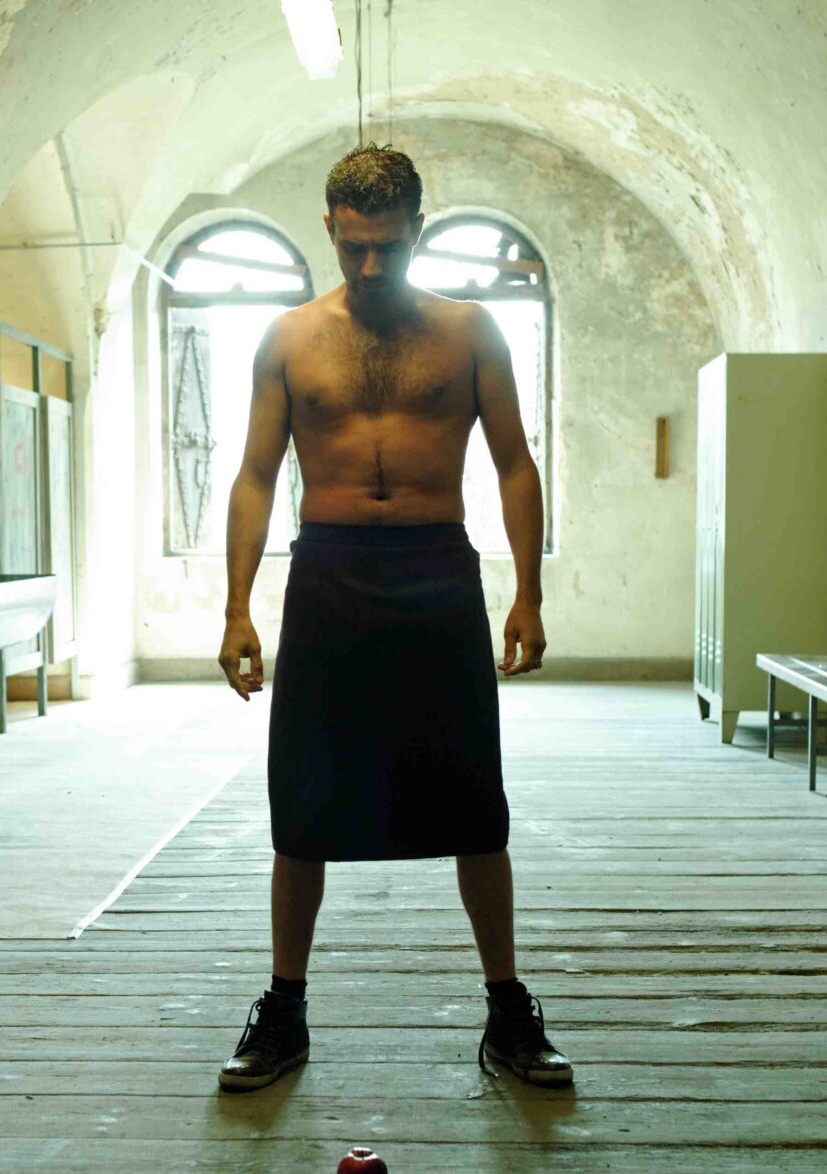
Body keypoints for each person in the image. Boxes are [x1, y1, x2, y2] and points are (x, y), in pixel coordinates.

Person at [215, 144, 571, 1092]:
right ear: (330, 230)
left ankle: (508, 1011)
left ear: (419, 228)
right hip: (328, 575)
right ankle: (284, 1010)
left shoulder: (470, 332)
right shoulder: (289, 339)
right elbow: (255, 476)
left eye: (389, 246)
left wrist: (528, 592)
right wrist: (237, 607)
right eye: (353, 247)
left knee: (475, 804)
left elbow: (515, 464)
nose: (371, 266)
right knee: (303, 804)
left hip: (436, 573)